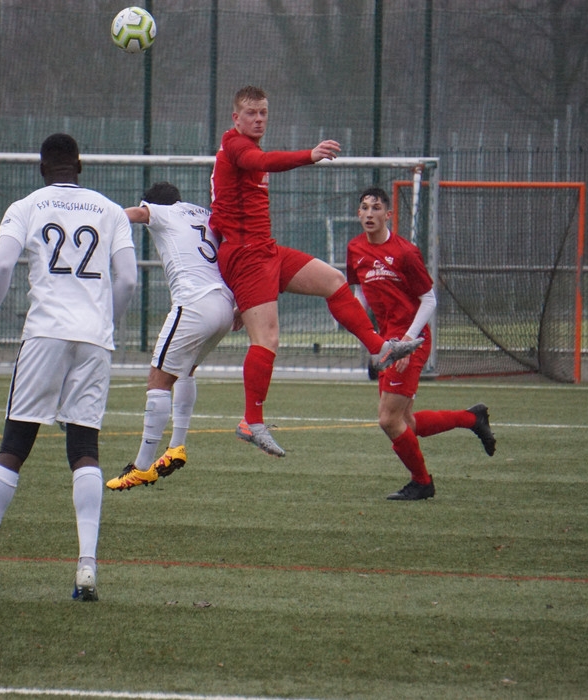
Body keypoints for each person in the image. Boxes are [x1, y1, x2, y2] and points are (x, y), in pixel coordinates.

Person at [0, 134, 137, 600]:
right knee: (84, 447)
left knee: (14, 444)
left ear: (41, 168)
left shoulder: (26, 205)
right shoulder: (110, 210)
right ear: (80, 164)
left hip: (45, 335)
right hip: (94, 339)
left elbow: (1, 268)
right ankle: (87, 568)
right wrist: (104, 323)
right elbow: (128, 278)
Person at [209, 85, 422, 458]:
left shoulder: (248, 147)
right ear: (235, 117)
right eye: (251, 113)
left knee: (333, 281)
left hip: (265, 250)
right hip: (246, 256)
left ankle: (380, 349)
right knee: (268, 339)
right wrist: (310, 154)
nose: (258, 119)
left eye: (263, 113)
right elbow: (266, 163)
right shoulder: (236, 147)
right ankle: (251, 421)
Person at [347, 187, 497, 500]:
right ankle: (472, 418)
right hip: (387, 344)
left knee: (388, 419)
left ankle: (422, 482)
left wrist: (406, 340)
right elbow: (358, 290)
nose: (370, 213)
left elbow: (429, 299)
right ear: (358, 215)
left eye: (376, 208)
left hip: (411, 341)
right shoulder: (355, 249)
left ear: (389, 215)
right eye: (364, 208)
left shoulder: (404, 252)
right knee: (406, 423)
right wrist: (368, 334)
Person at [106, 182, 238, 491]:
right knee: (186, 372)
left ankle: (141, 467)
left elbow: (136, 214)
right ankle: (176, 446)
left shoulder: (163, 212)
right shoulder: (204, 214)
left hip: (194, 303)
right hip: (225, 303)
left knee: (158, 380)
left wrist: (102, 218)